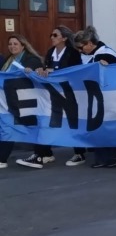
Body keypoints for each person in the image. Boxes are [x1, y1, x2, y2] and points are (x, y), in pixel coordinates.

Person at [30, 26, 84, 167]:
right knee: (46, 120)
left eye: (55, 35)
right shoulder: (50, 52)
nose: (52, 37)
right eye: (51, 35)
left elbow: (75, 71)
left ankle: (79, 153)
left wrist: (52, 70)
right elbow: (46, 68)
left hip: (69, 92)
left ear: (64, 38)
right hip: (53, 93)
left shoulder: (73, 53)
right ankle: (44, 153)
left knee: (72, 122)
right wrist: (42, 70)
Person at [73, 26, 116, 168]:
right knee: (97, 125)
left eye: (81, 47)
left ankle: (113, 156)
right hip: (93, 96)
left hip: (108, 96)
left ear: (89, 43)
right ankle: (101, 157)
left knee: (108, 126)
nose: (80, 50)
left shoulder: (106, 54)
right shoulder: (86, 55)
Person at [0, 35, 45, 169]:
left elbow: (34, 70)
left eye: (15, 44)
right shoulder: (8, 60)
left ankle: (40, 155)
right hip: (9, 101)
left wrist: (29, 70)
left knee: (32, 126)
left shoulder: (31, 59)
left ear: (23, 46)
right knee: (8, 127)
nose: (12, 46)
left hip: (26, 102)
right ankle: (2, 159)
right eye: (10, 44)